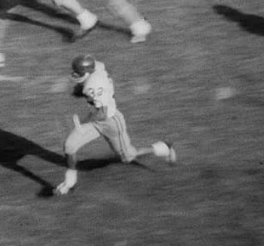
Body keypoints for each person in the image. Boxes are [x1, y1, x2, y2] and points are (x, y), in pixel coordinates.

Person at [54, 55, 176, 195]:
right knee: (69, 146)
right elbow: (100, 67)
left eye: (79, 72)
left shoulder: (93, 86)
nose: (76, 75)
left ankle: (164, 147)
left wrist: (81, 122)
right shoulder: (96, 67)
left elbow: (102, 114)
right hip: (97, 119)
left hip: (111, 122)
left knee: (128, 157)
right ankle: (70, 182)